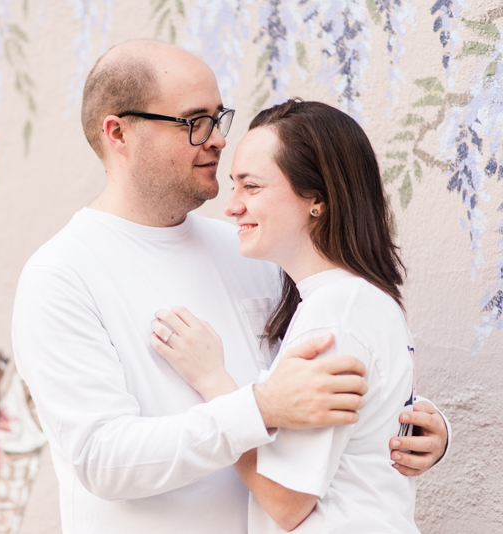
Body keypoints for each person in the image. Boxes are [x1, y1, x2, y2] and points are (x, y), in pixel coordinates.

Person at [12, 40, 448, 534]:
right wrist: (254, 408)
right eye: (194, 121)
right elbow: (101, 458)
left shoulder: (254, 251)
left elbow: (331, 374)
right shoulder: (62, 274)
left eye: (219, 118)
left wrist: (403, 425)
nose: (217, 139)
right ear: (119, 132)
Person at [150, 99, 425, 532]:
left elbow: (286, 501)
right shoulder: (359, 301)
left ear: (316, 199)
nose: (232, 205)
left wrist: (212, 380)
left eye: (251, 187)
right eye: (233, 186)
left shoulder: (334, 314)